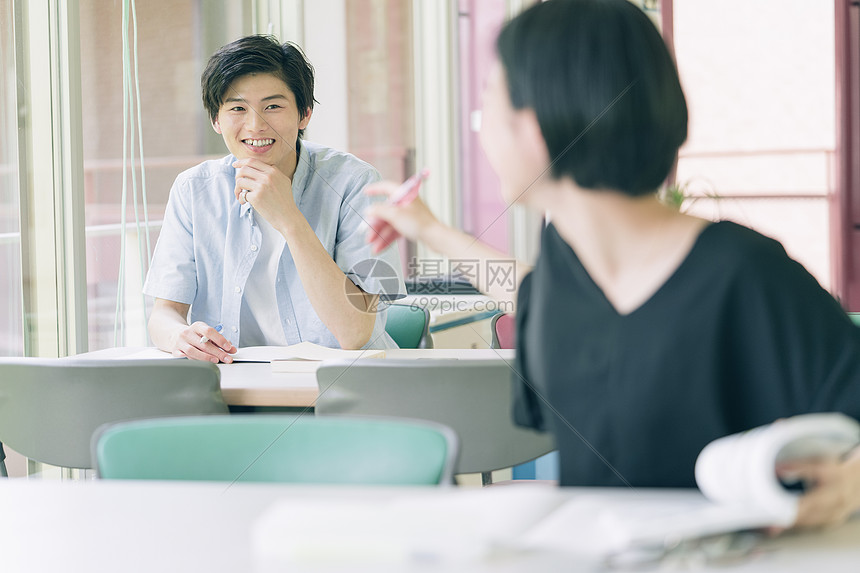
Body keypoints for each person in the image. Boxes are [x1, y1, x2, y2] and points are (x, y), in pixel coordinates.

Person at [365, 0, 860, 528]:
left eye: (490, 105)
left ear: (533, 131)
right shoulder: (566, 270)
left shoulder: (748, 276)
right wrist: (431, 231)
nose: (483, 132)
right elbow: (531, 294)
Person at [143, 35, 405, 363]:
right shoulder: (194, 189)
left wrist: (289, 219)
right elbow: (163, 314)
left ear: (304, 114)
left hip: (343, 387)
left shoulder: (355, 182)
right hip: (235, 387)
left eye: (273, 106)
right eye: (237, 108)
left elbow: (354, 333)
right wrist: (178, 335)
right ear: (216, 120)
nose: (255, 125)